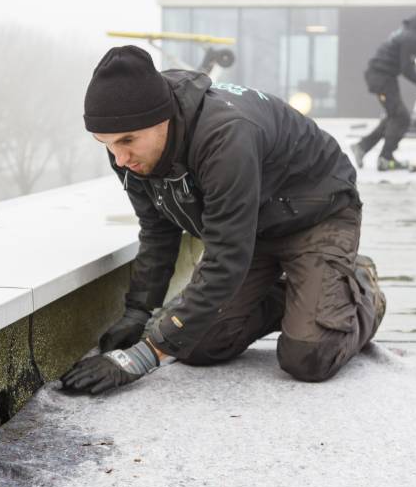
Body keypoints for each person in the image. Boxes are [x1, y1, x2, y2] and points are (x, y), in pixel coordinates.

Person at [60, 45, 386, 395]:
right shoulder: (130, 151)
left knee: (309, 355)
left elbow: (226, 257)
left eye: (127, 141)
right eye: (106, 144)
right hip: (252, 228)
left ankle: (359, 286)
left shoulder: (226, 137)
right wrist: (139, 311)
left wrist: (139, 358)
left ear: (163, 118)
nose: (120, 158)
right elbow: (158, 229)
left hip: (316, 215)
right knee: (195, 345)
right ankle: (302, 295)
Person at [351, 1, 416, 171]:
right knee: (401, 117)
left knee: (393, 117)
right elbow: (407, 70)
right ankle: (385, 157)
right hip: (380, 77)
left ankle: (363, 147)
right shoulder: (411, 37)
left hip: (385, 76)